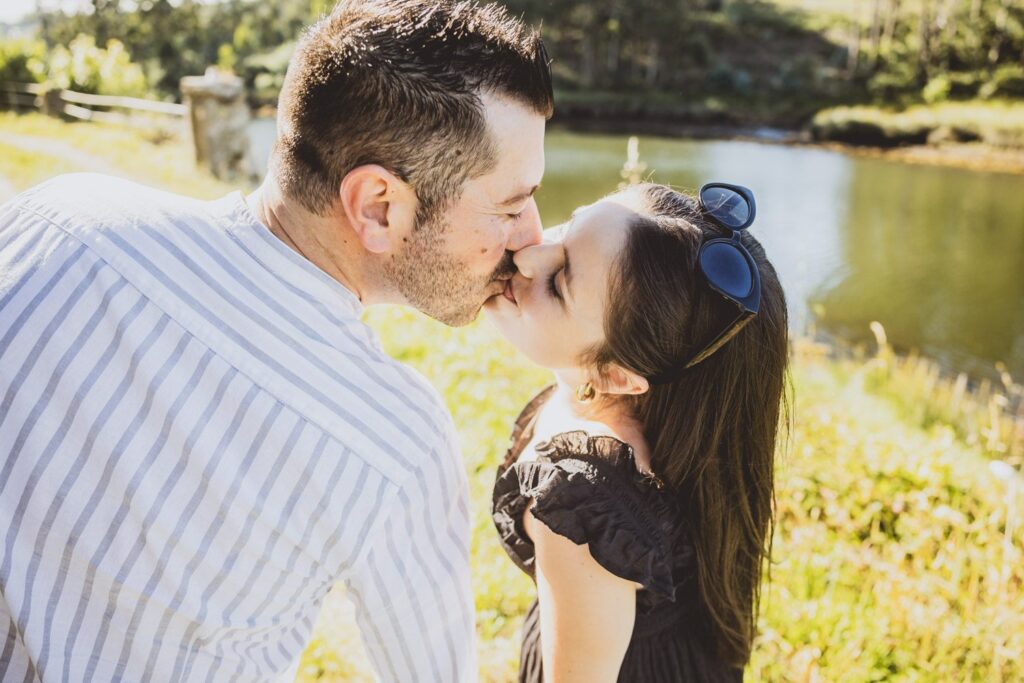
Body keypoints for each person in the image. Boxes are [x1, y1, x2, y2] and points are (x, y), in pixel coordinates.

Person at [0, 2, 551, 681]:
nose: (533, 237)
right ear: (379, 205)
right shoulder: (395, 442)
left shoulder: (57, 218)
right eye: (510, 205)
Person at [488, 182, 789, 682]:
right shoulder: (646, 407)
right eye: (568, 229)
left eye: (560, 282)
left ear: (616, 377)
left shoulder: (584, 503)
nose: (530, 258)